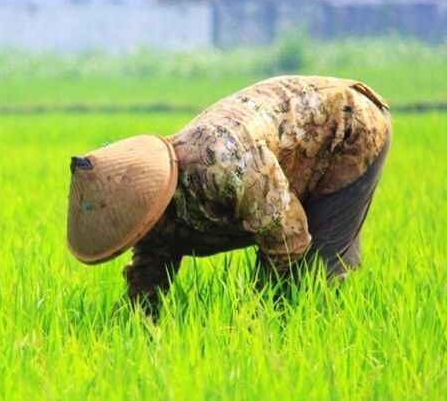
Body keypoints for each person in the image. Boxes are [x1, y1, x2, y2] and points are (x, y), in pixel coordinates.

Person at [66, 75, 391, 315]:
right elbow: (151, 266)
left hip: (346, 128)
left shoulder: (221, 161)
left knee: (310, 279)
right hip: (285, 154)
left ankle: (317, 351)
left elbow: (286, 237)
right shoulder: (148, 204)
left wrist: (253, 315)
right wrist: (134, 322)